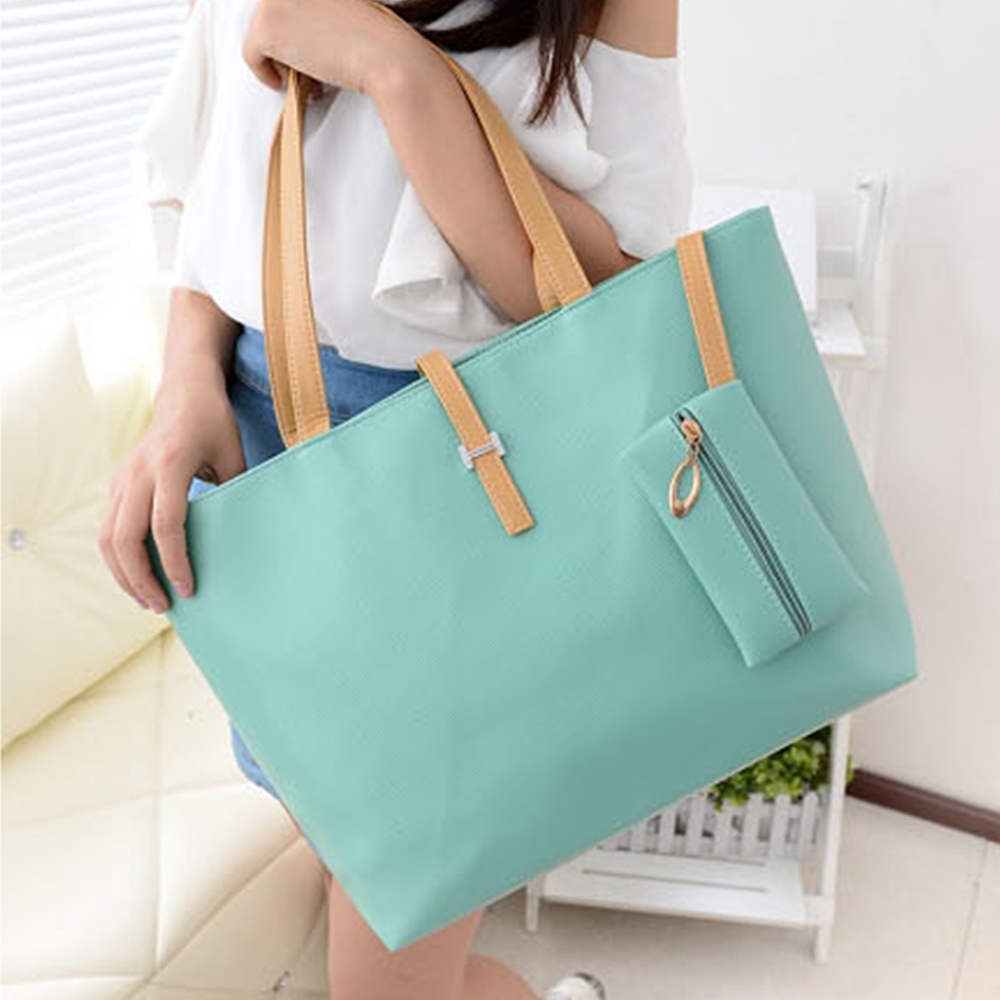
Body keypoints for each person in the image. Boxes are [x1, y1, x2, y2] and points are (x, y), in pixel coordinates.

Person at [99, 0, 692, 996]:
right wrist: (186, 380)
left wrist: (400, 76)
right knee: (366, 890)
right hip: (265, 469)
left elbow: (613, 301)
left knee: (388, 957)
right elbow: (214, 192)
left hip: (469, 476)